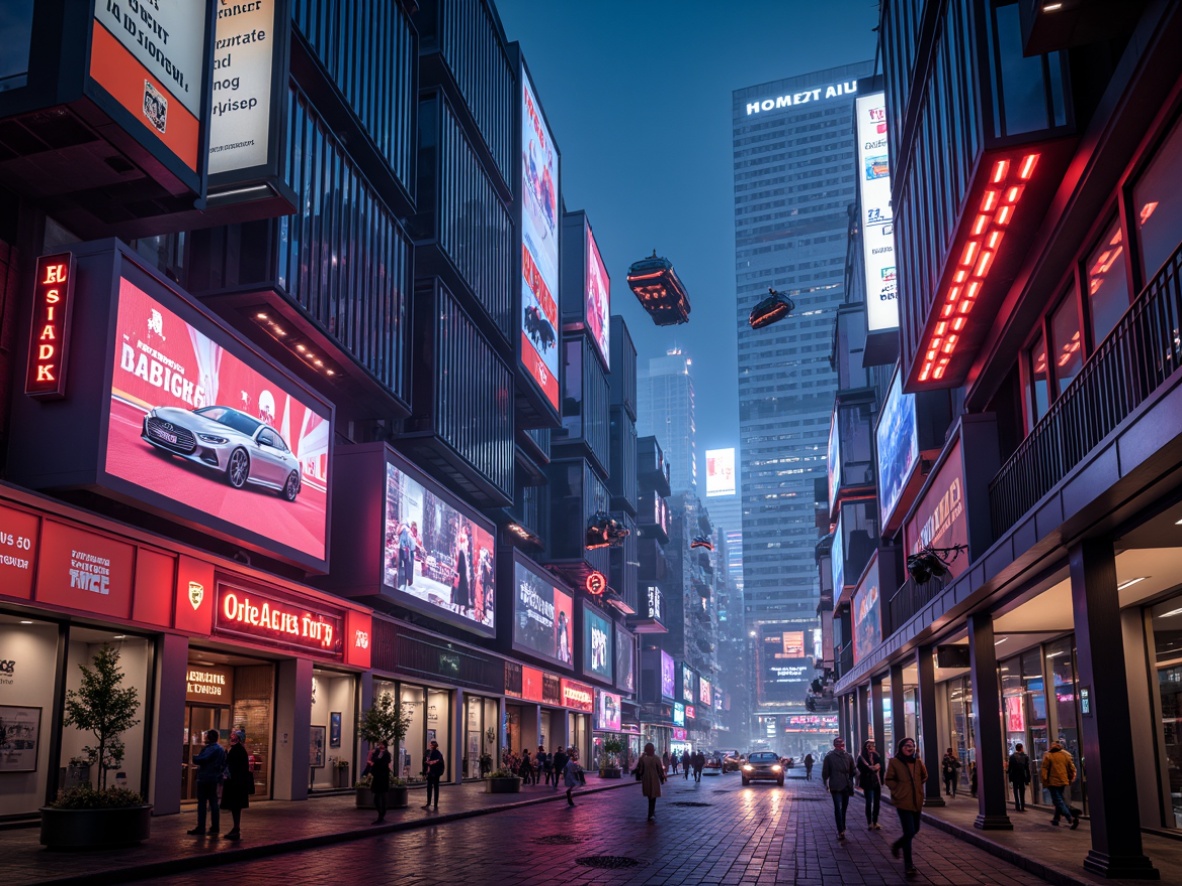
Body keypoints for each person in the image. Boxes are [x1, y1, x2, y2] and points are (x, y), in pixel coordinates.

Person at [886, 737, 928, 878]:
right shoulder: (894, 762)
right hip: (903, 802)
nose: (910, 748)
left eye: (912, 745)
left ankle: (897, 845)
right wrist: (899, 790)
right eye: (907, 745)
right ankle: (908, 865)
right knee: (909, 832)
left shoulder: (918, 762)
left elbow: (924, 776)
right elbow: (888, 779)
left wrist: (917, 789)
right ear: (901, 747)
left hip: (916, 801)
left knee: (915, 829)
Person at [188, 729, 227, 837]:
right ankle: (215, 826)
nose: (205, 738)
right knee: (214, 803)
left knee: (202, 803)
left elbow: (202, 759)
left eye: (206, 736)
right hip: (214, 778)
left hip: (206, 778)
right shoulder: (220, 749)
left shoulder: (210, 749)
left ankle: (201, 827)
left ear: (209, 737)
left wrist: (194, 757)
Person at [821, 737, 856, 840]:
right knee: (838, 808)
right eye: (838, 743)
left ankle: (842, 828)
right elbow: (825, 772)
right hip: (836, 785)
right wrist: (826, 783)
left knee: (844, 809)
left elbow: (853, 770)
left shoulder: (848, 756)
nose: (840, 745)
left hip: (846, 785)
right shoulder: (829, 756)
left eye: (841, 743)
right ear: (834, 745)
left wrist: (854, 776)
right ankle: (840, 830)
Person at [1041, 740, 1080, 829]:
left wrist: (1045, 781)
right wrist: (1070, 779)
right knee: (1059, 799)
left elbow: (1044, 770)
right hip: (1063, 781)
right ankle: (1056, 819)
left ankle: (1070, 817)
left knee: (1058, 801)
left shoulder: (1048, 755)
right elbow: (1072, 768)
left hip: (1053, 782)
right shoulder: (1066, 754)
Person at [221, 729, 251, 840]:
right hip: (238, 783)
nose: (231, 736)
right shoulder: (240, 750)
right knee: (236, 807)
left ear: (237, 738)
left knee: (235, 806)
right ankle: (236, 828)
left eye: (233, 735)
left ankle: (236, 828)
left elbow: (232, 765)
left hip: (235, 783)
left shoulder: (237, 750)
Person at [856, 738, 885, 830]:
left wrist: (878, 765)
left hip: (876, 781)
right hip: (867, 782)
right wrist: (871, 768)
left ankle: (875, 821)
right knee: (869, 802)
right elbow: (861, 769)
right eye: (869, 746)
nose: (871, 748)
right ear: (865, 747)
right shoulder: (861, 757)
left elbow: (881, 766)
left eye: (872, 746)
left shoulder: (876, 755)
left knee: (877, 802)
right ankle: (869, 822)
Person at [636, 742, 667, 821]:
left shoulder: (643, 759)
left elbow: (640, 770)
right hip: (654, 778)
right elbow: (660, 769)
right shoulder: (656, 758)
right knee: (653, 796)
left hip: (646, 779)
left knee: (650, 796)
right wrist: (662, 778)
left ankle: (651, 812)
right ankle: (651, 813)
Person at [369, 740, 393, 824]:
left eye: (382, 744)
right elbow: (373, 758)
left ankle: (381, 815)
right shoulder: (377, 752)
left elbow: (382, 763)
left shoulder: (387, 754)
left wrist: (377, 760)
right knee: (376, 797)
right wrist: (377, 758)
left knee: (382, 796)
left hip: (383, 777)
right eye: (379, 744)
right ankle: (380, 813)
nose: (380, 746)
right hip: (377, 777)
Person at [1007, 743, 1031, 812]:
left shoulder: (1012, 757)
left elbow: (1010, 768)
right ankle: (1022, 806)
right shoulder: (1025, 757)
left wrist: (1008, 774)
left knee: (1015, 791)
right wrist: (1028, 778)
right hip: (1022, 776)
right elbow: (1027, 768)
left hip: (1014, 776)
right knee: (1022, 791)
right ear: (1022, 748)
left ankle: (1017, 806)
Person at [423, 739, 445, 811]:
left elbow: (439, 762)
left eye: (432, 745)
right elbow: (424, 762)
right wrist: (424, 771)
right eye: (431, 745)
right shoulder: (428, 752)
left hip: (435, 773)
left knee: (435, 787)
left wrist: (431, 762)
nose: (431, 746)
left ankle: (435, 804)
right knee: (429, 788)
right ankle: (429, 803)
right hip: (430, 772)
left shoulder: (437, 753)